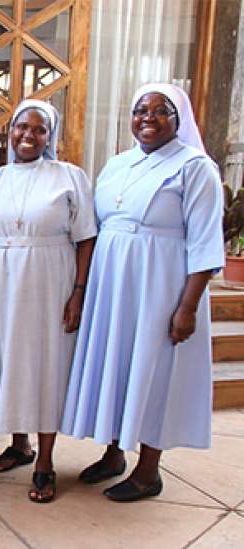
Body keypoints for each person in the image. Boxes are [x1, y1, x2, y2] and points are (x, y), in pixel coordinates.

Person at [62, 83, 224, 501]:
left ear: (179, 117)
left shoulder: (195, 167)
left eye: (160, 110)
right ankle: (113, 453)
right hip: (114, 281)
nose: (148, 118)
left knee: (154, 372)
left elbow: (205, 243)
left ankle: (148, 470)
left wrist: (187, 307)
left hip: (163, 283)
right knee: (119, 363)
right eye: (140, 110)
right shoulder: (118, 164)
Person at [0, 100, 97, 502]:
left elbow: (85, 238)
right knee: (9, 358)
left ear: (51, 135)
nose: (28, 135)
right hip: (1, 279)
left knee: (46, 362)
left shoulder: (68, 176)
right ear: (8, 132)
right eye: (20, 127)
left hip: (50, 278)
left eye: (39, 129)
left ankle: (45, 460)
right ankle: (19, 444)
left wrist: (78, 292)